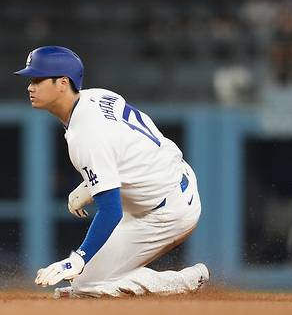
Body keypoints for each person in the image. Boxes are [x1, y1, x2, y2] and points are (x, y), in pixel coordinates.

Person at [14, 46, 209, 298]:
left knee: (86, 283)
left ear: (62, 83)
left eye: (38, 79)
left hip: (165, 212)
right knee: (88, 282)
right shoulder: (96, 96)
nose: (30, 87)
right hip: (170, 179)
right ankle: (93, 285)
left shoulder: (86, 135)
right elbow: (126, 146)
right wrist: (89, 185)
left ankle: (186, 281)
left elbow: (111, 211)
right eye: (30, 80)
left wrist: (77, 259)